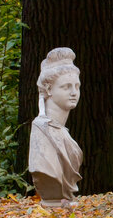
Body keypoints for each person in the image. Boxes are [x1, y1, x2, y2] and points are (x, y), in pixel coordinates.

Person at [28, 47, 82, 206]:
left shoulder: (62, 133)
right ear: (49, 89)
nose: (74, 92)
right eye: (66, 87)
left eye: (77, 86)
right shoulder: (42, 131)